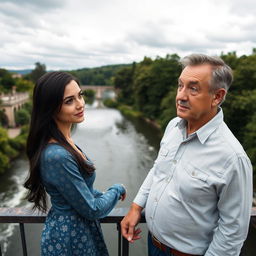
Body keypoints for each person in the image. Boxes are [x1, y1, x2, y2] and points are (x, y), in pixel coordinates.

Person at [121, 54, 253, 256]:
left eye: (193, 88)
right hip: (153, 244)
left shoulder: (232, 157)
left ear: (217, 96)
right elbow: (159, 169)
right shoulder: (173, 126)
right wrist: (136, 207)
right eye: (180, 86)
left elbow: (232, 231)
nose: (180, 96)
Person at [24, 71, 126, 256]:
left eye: (80, 95)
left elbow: (80, 190)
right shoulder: (57, 155)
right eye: (69, 101)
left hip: (77, 233)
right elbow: (92, 209)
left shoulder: (65, 142)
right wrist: (116, 190)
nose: (81, 104)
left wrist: (100, 194)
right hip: (69, 239)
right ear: (51, 108)